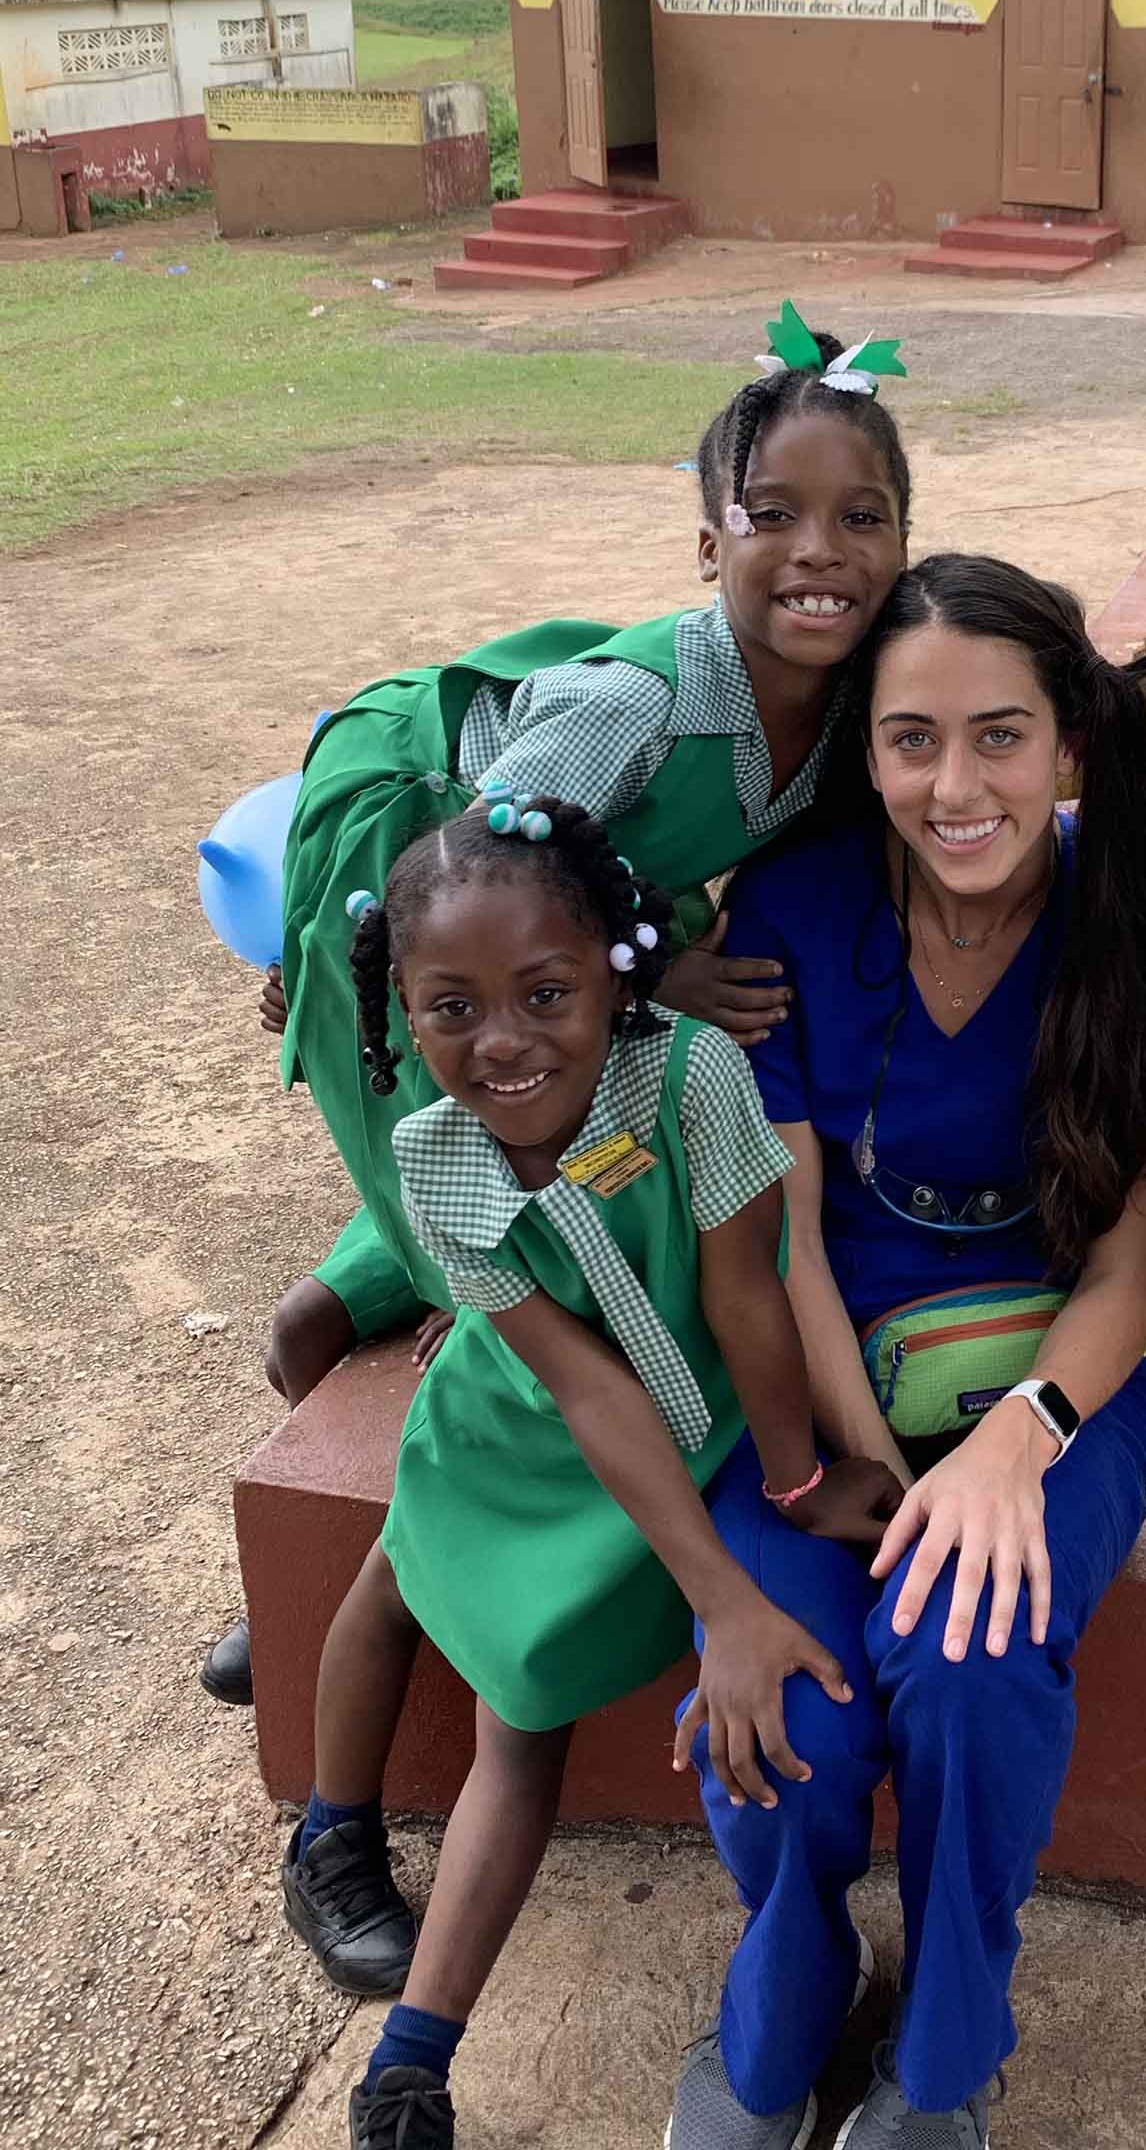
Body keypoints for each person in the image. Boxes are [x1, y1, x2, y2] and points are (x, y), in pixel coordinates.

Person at [201, 306, 916, 1705]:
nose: (820, 549)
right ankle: (353, 1585)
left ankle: (355, 1342)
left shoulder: (838, 690)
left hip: (571, 891)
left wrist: (1130, 839)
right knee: (483, 1184)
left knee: (546, 1149)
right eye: (774, 512)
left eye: (861, 517)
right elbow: (497, 864)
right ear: (710, 544)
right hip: (429, 853)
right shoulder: (633, 702)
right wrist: (654, 967)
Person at [662, 556, 1146, 2149]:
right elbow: (782, 1236)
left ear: (1070, 742)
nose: (954, 785)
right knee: (788, 1701)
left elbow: (1130, 1268)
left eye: (999, 736)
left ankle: (944, 2052)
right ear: (865, 752)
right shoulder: (795, 914)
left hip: (1052, 1391)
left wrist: (1010, 1446)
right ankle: (780, 2010)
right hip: (812, 1378)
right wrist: (856, 1461)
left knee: (972, 1675)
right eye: (911, 740)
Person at [279, 796, 902, 2150]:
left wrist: (790, 1495)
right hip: (511, 1432)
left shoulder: (686, 1082)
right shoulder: (432, 1153)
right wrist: (725, 1599)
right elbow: (574, 1378)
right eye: (450, 1008)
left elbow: (750, 1302)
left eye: (544, 991)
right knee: (396, 1584)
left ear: (617, 965)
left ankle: (409, 2059)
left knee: (520, 1713)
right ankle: (329, 1833)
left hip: (660, 1455)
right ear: (403, 1009)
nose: (501, 1041)